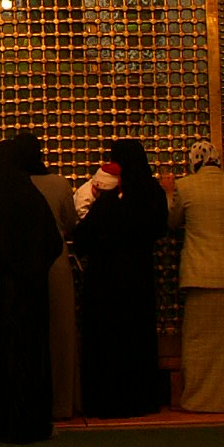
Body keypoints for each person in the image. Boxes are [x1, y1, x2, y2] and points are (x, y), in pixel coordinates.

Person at [0, 137, 61, 443]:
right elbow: (53, 243)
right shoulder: (30, 197)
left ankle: (1, 420)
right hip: (30, 294)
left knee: (0, 355)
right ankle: (30, 422)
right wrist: (31, 267)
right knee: (28, 357)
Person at [73, 137, 168, 418]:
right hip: (138, 278)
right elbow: (161, 227)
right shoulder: (152, 192)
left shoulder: (109, 200)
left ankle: (106, 400)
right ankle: (140, 399)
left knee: (107, 342)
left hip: (104, 281)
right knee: (136, 339)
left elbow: (82, 239)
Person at [164, 137, 224, 412]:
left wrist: (167, 194)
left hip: (200, 273)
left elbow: (171, 222)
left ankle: (201, 399)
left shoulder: (185, 186)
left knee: (200, 342)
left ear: (194, 161)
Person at [12, 131, 79, 420]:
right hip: (56, 262)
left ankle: (26, 402)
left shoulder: (11, 185)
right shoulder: (59, 183)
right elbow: (70, 222)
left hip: (20, 264)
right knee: (60, 333)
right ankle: (62, 402)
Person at [73, 156, 120, 221]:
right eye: (98, 191)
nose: (99, 194)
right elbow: (82, 214)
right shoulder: (84, 196)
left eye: (103, 192)